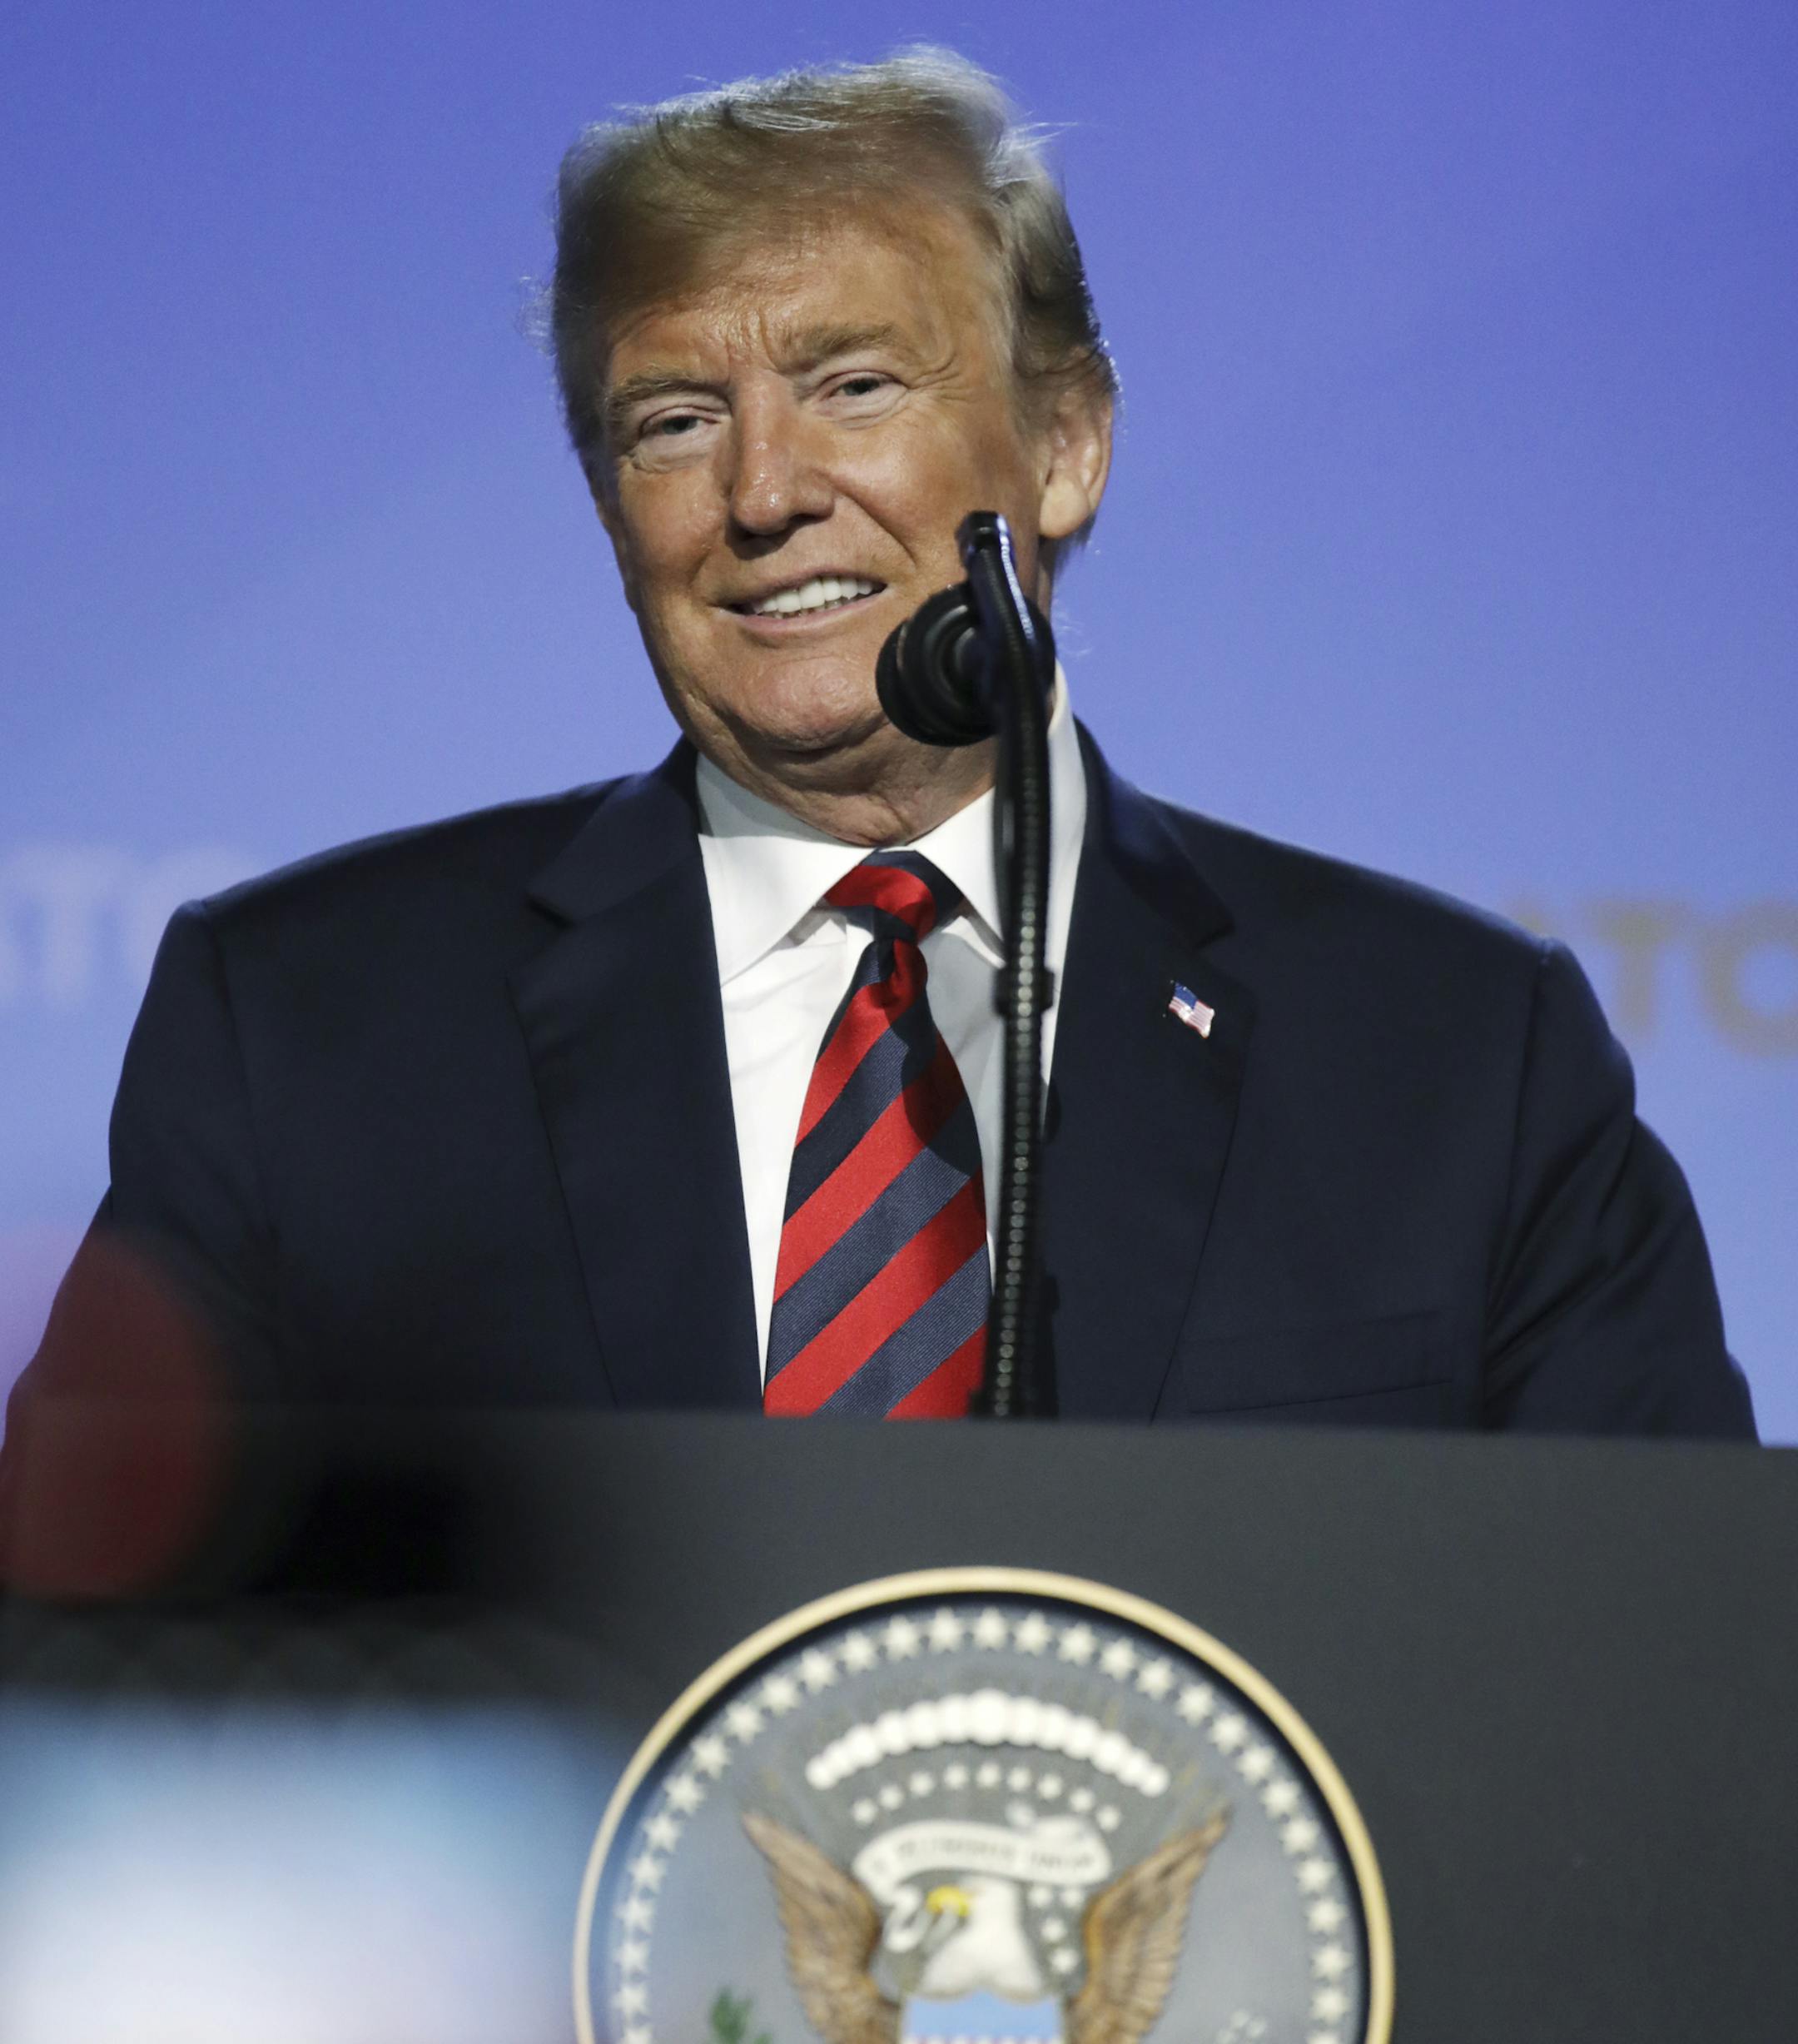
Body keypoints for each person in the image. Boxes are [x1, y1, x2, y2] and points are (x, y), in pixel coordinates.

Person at [2, 51, 1755, 1439]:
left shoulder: (1456, 1066)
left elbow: (1665, 1704)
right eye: (674, 421)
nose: (763, 495)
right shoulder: (308, 1031)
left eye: (853, 386)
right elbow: (83, 1693)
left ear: (1065, 443)